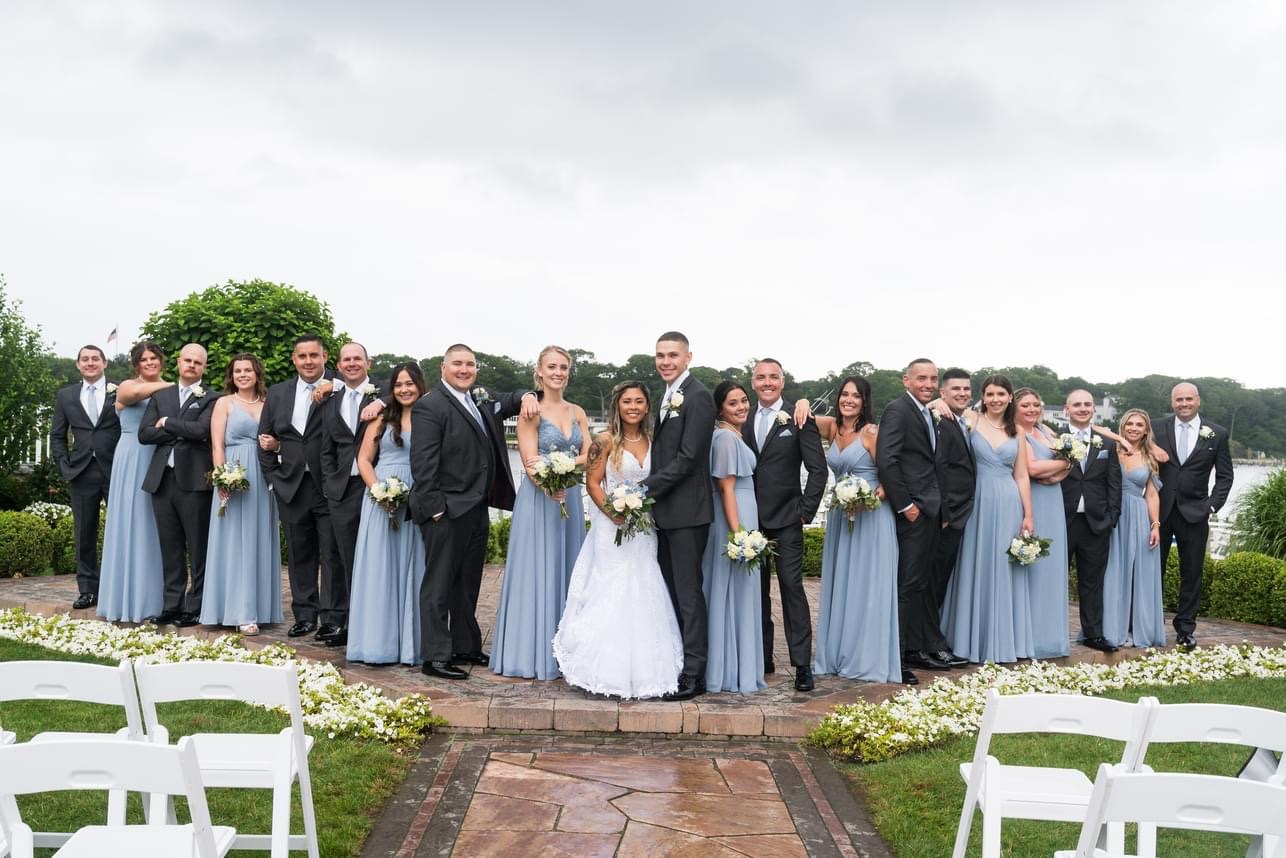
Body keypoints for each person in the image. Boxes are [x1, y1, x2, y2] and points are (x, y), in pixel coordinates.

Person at [410, 343, 539, 680]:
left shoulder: (480, 398)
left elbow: (512, 397)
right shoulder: (430, 406)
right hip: (446, 511)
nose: (464, 369)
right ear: (443, 366)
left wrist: (527, 394)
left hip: (476, 507)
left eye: (469, 364)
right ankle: (435, 656)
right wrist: (437, 510)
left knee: (467, 583)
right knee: (438, 585)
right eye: (457, 364)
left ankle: (465, 645)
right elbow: (422, 465)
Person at [553, 381, 684, 698]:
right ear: (618, 406)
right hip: (611, 528)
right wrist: (612, 511)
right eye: (627, 401)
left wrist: (637, 512)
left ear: (648, 406)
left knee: (644, 588)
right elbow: (594, 483)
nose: (634, 407)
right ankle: (599, 668)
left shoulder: (654, 442)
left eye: (640, 401)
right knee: (610, 588)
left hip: (643, 529)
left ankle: (646, 669)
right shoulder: (604, 441)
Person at [491, 346, 590, 680]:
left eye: (563, 367)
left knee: (569, 569)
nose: (558, 372)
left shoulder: (577, 411)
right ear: (540, 371)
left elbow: (590, 454)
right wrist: (548, 482)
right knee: (537, 570)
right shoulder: (529, 411)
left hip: (570, 496)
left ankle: (568, 652)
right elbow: (530, 459)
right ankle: (531, 652)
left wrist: (563, 466)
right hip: (539, 499)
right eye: (552, 366)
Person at [742, 358, 826, 693]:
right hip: (751, 521)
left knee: (792, 589)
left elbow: (818, 470)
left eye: (773, 377)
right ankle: (764, 657)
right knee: (756, 592)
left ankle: (802, 664)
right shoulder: (742, 417)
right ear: (752, 382)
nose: (766, 382)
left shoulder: (799, 417)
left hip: (788, 520)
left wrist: (805, 512)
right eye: (760, 377)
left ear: (782, 380)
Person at [810, 377, 901, 683]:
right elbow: (804, 417)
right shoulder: (833, 429)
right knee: (843, 584)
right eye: (844, 394)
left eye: (856, 396)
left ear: (865, 401)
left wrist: (868, 501)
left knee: (868, 586)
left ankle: (866, 657)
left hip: (871, 517)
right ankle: (838, 653)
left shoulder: (871, 433)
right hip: (841, 515)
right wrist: (798, 402)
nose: (849, 400)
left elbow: (892, 477)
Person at [942, 374, 1035, 664]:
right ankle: (964, 639)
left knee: (1002, 566)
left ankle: (1002, 640)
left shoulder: (1017, 430)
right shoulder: (969, 418)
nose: (995, 399)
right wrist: (938, 402)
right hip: (975, 499)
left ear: (1010, 398)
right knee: (971, 562)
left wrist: (1028, 514)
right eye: (990, 394)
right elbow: (936, 403)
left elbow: (1021, 474)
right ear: (983, 396)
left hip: (1007, 501)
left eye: (1001, 394)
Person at [645, 332, 716, 701]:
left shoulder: (699, 396)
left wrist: (644, 489)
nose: (665, 361)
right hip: (666, 513)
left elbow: (688, 459)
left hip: (688, 513)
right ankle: (676, 664)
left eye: (672, 355)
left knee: (688, 594)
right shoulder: (668, 395)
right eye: (660, 355)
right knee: (671, 592)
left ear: (688, 357)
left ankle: (694, 675)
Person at [876, 358, 955, 685]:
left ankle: (914, 649)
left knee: (920, 584)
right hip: (913, 511)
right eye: (921, 378)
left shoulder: (928, 412)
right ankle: (897, 656)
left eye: (933, 378)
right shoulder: (898, 410)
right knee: (907, 585)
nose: (928, 383)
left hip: (932, 511)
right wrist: (905, 504)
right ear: (906, 380)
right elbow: (887, 459)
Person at [347, 363, 429, 665]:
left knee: (413, 567)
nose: (404, 389)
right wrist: (379, 490)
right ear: (391, 390)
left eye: (410, 383)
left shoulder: (430, 418)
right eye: (398, 385)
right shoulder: (381, 419)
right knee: (380, 568)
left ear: (420, 386)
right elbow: (364, 460)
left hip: (417, 498)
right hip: (380, 499)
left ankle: (411, 646)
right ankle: (375, 644)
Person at [258, 335, 337, 640]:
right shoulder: (278, 393)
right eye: (302, 356)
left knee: (332, 555)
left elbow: (378, 385)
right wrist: (273, 480)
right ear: (294, 359)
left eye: (313, 355)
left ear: (324, 356)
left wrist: (337, 385)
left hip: (329, 486)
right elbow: (264, 439)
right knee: (300, 554)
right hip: (291, 486)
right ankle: (305, 615)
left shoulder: (339, 388)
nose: (308, 361)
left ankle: (332, 618)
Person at [198, 354, 281, 635]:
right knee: (234, 542)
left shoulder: (269, 404)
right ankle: (235, 610)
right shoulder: (224, 403)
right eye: (237, 371)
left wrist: (276, 445)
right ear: (231, 375)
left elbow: (282, 439)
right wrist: (222, 477)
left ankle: (261, 608)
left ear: (257, 373)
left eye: (248, 370)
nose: (243, 375)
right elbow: (217, 445)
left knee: (258, 539)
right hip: (234, 475)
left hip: (263, 474)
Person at [138, 343, 217, 626]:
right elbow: (144, 434)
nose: (192, 365)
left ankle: (195, 606)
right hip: (162, 480)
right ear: (178, 362)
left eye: (198, 362)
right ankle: (172, 605)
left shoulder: (211, 398)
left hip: (194, 481)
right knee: (170, 547)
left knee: (198, 547)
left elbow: (201, 431)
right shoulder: (161, 395)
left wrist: (168, 423)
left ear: (204, 367)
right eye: (187, 360)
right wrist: (181, 431)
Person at [1151, 382, 1233, 649]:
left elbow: (1224, 476)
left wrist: (1211, 506)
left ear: (1198, 401)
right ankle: (1150, 623)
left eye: (1188, 399)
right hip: (1159, 511)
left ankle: (1186, 628)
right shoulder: (1156, 427)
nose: (1183, 404)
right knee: (1153, 570)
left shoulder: (1217, 434)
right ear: (1172, 402)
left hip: (1195, 513)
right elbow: (1131, 445)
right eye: (1179, 400)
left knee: (1192, 572)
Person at [319, 342, 387, 649]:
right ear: (339, 364)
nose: (351, 364)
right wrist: (330, 482)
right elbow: (326, 448)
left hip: (376, 486)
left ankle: (378, 621)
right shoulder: (330, 399)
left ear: (368, 363)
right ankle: (348, 622)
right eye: (346, 360)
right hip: (341, 490)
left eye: (357, 359)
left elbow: (406, 386)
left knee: (376, 556)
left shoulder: (381, 393)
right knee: (345, 558)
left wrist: (382, 401)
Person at [98, 342, 172, 623]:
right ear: (136, 364)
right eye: (144, 359)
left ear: (161, 361)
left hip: (158, 456)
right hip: (131, 457)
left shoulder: (169, 387)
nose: (150, 362)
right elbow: (135, 394)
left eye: (154, 358)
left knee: (155, 526)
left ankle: (155, 599)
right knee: (131, 522)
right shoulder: (127, 386)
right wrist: (174, 387)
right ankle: (124, 599)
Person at [701, 380, 766, 694]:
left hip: (743, 512)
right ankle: (727, 670)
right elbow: (725, 488)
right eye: (733, 403)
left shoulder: (734, 434)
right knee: (729, 591)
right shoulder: (725, 438)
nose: (741, 407)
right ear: (720, 409)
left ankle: (737, 665)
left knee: (740, 592)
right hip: (734, 517)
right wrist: (738, 533)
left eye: (744, 400)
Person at [51, 344, 121, 609]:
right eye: (85, 359)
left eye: (95, 359)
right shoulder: (66, 395)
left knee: (122, 529)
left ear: (105, 363)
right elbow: (57, 434)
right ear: (78, 364)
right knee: (84, 533)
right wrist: (64, 464)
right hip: (81, 471)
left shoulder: (119, 391)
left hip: (116, 469)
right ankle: (88, 590)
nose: (90, 363)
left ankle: (117, 587)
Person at [1060, 389, 1122, 654]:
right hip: (1062, 520)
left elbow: (1114, 483)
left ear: (1093, 409)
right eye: (1077, 405)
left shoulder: (1106, 443)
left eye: (1087, 404)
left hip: (1096, 523)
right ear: (1067, 409)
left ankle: (1093, 634)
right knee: (1055, 579)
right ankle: (1051, 632)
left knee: (1092, 581)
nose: (1083, 408)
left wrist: (1112, 518)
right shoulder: (1055, 440)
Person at [1101, 409, 1166, 648]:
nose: (1134, 428)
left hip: (1138, 515)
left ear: (1147, 430)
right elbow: (1093, 428)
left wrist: (1155, 525)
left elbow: (1151, 495)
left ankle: (1137, 629)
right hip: (1113, 515)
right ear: (1123, 426)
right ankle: (1110, 629)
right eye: (1130, 424)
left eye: (1140, 425)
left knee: (1140, 573)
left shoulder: (1150, 456)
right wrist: (1118, 439)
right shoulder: (1111, 448)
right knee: (1113, 571)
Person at [1014, 388, 1070, 658]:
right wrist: (1060, 466)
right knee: (1032, 569)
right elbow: (1031, 469)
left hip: (1053, 500)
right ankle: (1031, 638)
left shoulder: (1046, 431)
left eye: (1036, 404)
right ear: (1015, 407)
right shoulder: (1017, 433)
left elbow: (1069, 464)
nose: (1032, 409)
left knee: (1052, 567)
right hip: (1032, 501)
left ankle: (1051, 638)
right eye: (1025, 405)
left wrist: (1056, 472)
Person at [931, 369, 977, 618]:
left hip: (962, 514)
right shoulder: (938, 419)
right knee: (933, 580)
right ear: (943, 392)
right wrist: (945, 514)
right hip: (945, 516)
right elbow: (939, 468)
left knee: (943, 580)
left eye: (966, 389)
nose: (962, 393)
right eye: (956, 389)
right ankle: (922, 645)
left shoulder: (962, 422)